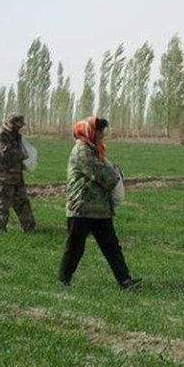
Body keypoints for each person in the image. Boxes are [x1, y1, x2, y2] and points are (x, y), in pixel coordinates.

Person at [58, 116, 142, 290]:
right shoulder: (82, 150)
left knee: (112, 246)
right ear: (90, 131)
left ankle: (125, 281)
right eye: (99, 131)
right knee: (75, 247)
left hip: (99, 209)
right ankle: (63, 279)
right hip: (81, 208)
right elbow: (103, 175)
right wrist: (116, 176)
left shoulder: (94, 149)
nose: (102, 135)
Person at [0, 113, 36, 234]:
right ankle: (0, 230)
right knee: (3, 205)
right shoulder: (1, 135)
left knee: (22, 202)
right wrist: (25, 154)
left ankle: (29, 228)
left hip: (16, 175)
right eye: (18, 125)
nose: (20, 127)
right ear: (12, 123)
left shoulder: (16, 135)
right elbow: (7, 154)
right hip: (3, 177)